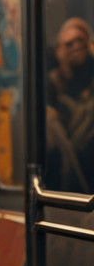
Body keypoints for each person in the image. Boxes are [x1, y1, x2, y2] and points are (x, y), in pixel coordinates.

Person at [46, 16, 94, 192]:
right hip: (63, 185)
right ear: (59, 51)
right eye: (68, 44)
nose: (75, 47)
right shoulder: (51, 87)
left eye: (79, 41)